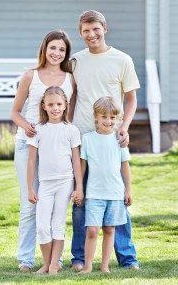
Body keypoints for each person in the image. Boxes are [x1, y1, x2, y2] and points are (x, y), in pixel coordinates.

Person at [70, 10, 140, 271]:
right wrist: (68, 127)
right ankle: (79, 257)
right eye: (86, 31)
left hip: (111, 137)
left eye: (96, 29)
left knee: (117, 198)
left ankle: (126, 257)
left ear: (105, 28)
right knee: (81, 199)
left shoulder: (122, 60)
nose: (91, 35)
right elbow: (73, 96)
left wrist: (124, 126)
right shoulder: (76, 60)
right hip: (83, 138)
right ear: (81, 33)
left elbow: (131, 99)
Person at [10, 30, 76, 272]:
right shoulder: (31, 76)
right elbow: (14, 112)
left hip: (57, 150)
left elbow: (71, 114)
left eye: (61, 49)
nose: (57, 53)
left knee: (57, 207)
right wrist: (27, 126)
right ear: (44, 49)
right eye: (53, 48)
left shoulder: (70, 78)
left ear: (66, 53)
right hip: (28, 146)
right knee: (30, 202)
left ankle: (54, 261)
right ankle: (25, 259)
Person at [26, 86, 83, 274]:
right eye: (51, 104)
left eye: (59, 104)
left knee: (58, 224)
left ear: (65, 105)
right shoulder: (38, 130)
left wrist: (78, 186)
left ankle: (53, 265)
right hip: (45, 184)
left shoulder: (71, 130)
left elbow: (76, 160)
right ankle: (47, 262)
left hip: (65, 182)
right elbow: (32, 160)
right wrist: (30, 189)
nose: (55, 108)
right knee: (42, 226)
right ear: (44, 106)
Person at [79, 97, 132, 273]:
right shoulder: (87, 139)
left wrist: (128, 190)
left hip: (115, 194)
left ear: (117, 119)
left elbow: (125, 166)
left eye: (112, 118)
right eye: (104, 117)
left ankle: (104, 266)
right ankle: (87, 267)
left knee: (109, 230)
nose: (108, 121)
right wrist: (79, 188)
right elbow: (82, 166)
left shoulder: (120, 140)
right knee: (92, 230)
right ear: (96, 117)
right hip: (94, 193)